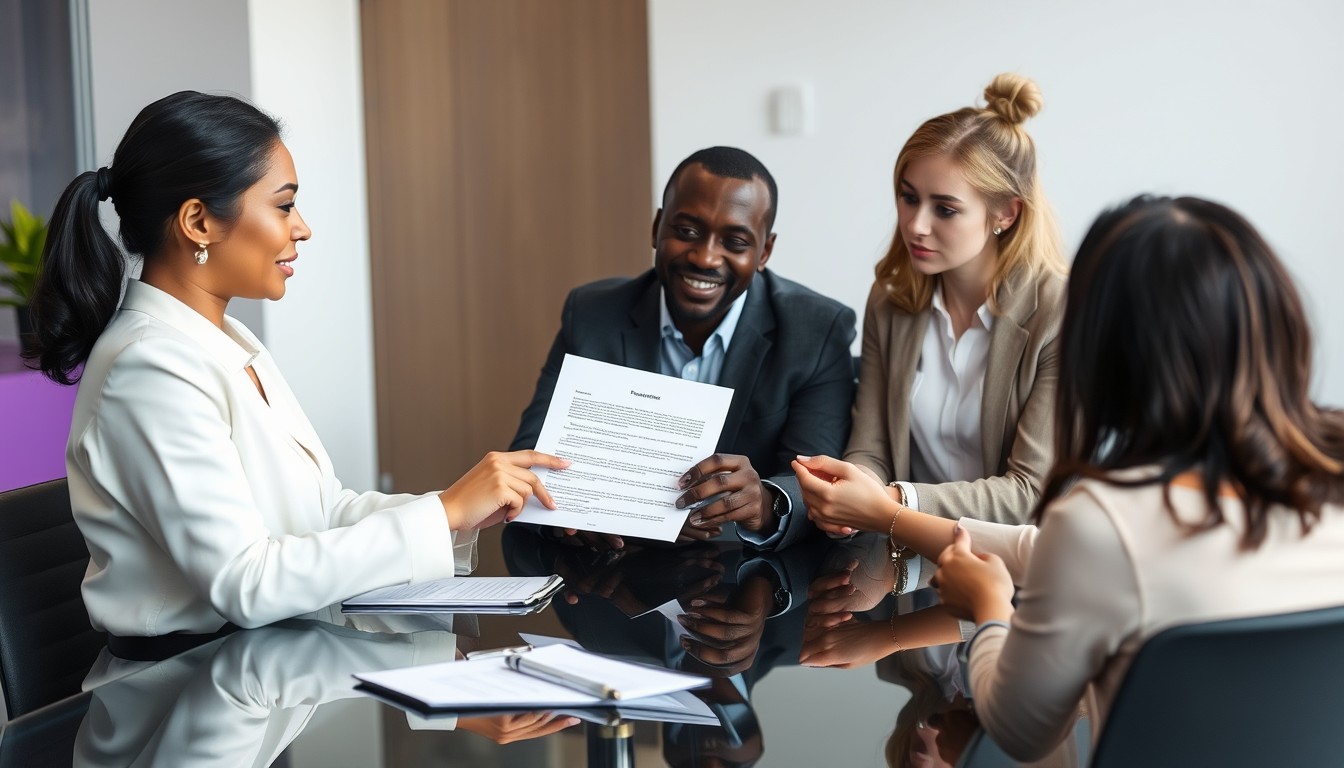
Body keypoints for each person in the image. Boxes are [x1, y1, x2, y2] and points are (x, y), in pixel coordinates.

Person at [794, 195, 1344, 760]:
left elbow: (1019, 731)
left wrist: (989, 609)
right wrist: (891, 516)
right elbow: (1047, 550)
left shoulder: (1106, 524)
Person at [27, 91, 569, 640]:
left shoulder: (227, 341)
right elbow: (246, 580)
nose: (302, 228)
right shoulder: (148, 368)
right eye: (284, 206)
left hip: (269, 670)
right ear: (197, 221)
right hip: (185, 694)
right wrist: (443, 512)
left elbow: (323, 511)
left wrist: (458, 511)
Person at [511, 146, 856, 550]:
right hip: (615, 573)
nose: (705, 257)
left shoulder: (817, 329)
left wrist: (765, 501)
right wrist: (598, 511)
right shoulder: (591, 315)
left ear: (764, 252)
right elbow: (528, 461)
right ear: (657, 227)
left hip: (748, 578)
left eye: (735, 241)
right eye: (687, 232)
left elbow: (818, 485)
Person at [836, 73, 1067, 534]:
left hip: (1016, 574)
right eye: (908, 197)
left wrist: (892, 502)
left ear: (1006, 213)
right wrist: (849, 489)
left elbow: (1030, 492)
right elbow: (871, 447)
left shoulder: (1061, 308)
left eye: (944, 208)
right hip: (907, 559)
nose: (916, 225)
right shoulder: (890, 299)